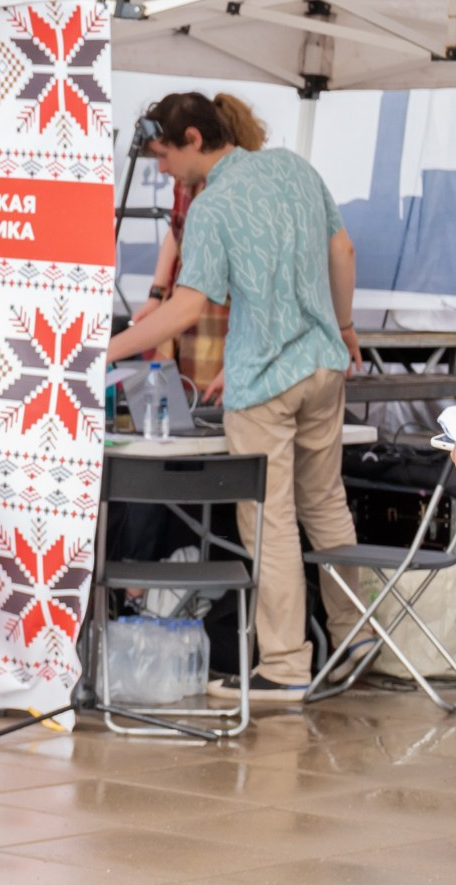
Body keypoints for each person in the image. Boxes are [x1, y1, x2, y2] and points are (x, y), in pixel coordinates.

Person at [104, 92, 361, 701]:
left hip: (266, 385)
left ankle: (284, 667)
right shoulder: (295, 168)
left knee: (268, 523)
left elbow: (187, 308)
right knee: (326, 505)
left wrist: (105, 352)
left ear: (193, 138)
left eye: (164, 156)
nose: (162, 170)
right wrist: (344, 327)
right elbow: (342, 252)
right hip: (324, 366)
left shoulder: (213, 205)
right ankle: (356, 640)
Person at [134, 93, 267, 398]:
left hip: (215, 305)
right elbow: (176, 232)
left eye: (164, 156)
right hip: (187, 295)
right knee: (170, 390)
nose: (163, 168)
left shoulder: (231, 189)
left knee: (208, 395)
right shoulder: (189, 179)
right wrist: (157, 293)